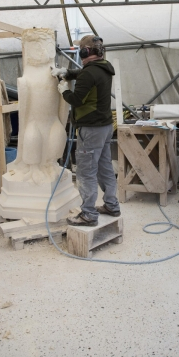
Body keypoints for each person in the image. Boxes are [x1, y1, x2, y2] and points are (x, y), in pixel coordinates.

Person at [53, 35, 121, 226]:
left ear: (85, 52)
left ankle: (89, 214)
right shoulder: (104, 68)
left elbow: (76, 99)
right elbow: (85, 74)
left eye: (81, 50)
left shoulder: (89, 73)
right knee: (104, 166)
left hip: (91, 129)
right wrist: (67, 72)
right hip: (105, 127)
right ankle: (111, 205)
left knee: (85, 172)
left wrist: (63, 90)